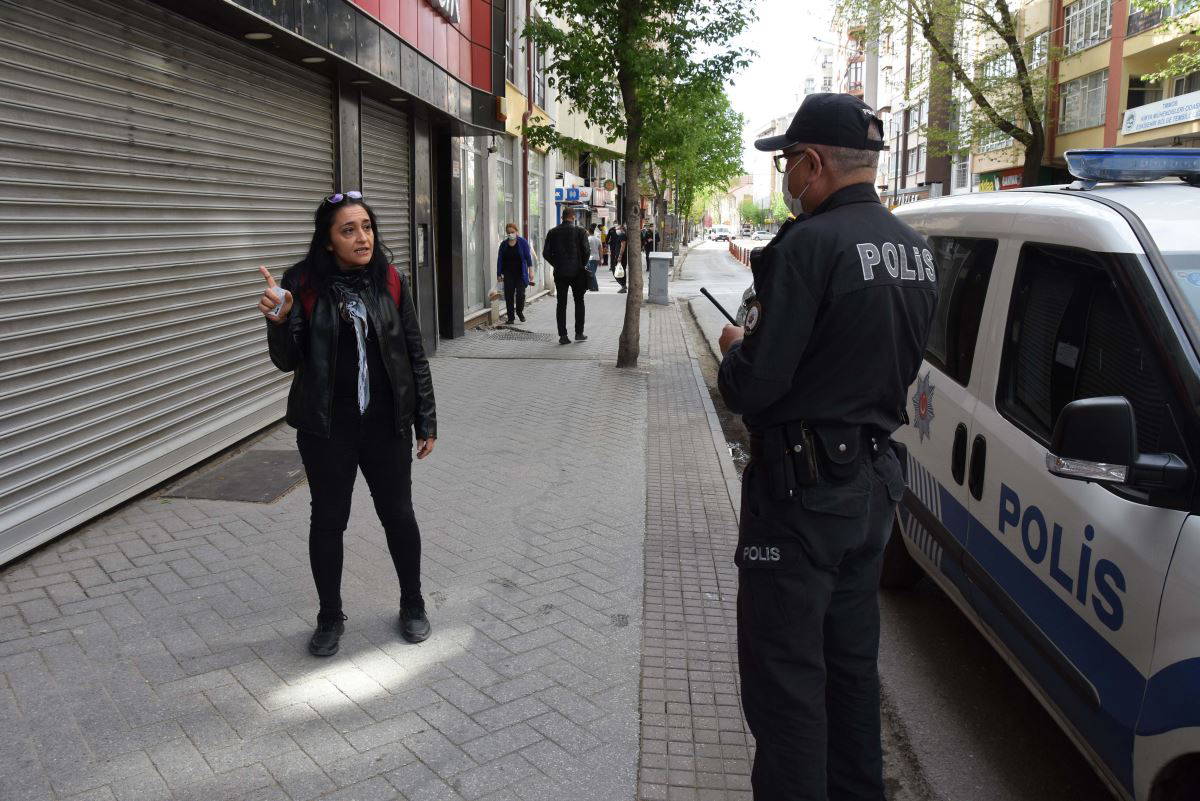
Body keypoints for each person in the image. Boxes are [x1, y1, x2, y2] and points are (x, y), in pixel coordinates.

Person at [716, 93, 937, 801]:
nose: (785, 176)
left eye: (787, 162)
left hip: (801, 501)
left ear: (812, 163)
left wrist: (736, 349)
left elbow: (755, 386)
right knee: (850, 673)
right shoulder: (916, 251)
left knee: (786, 688)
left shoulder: (807, 246)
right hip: (872, 490)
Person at [258, 190, 438, 658]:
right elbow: (288, 360)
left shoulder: (391, 280)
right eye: (349, 230)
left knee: (398, 516)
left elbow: (414, 353)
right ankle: (329, 616)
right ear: (328, 240)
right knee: (328, 521)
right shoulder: (302, 284)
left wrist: (426, 419)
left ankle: (413, 604)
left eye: (367, 227)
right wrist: (280, 320)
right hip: (326, 428)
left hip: (385, 425)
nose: (363, 238)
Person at [542, 207, 591, 344]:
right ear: (573, 217)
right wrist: (582, 264)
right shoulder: (580, 231)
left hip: (560, 273)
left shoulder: (552, 232)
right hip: (577, 273)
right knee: (579, 301)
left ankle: (563, 336)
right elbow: (586, 251)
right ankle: (579, 333)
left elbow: (546, 253)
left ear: (562, 217)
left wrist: (556, 264)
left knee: (561, 303)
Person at [496, 222, 535, 323]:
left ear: (517, 231)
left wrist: (531, 271)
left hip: (521, 273)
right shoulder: (504, 244)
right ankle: (510, 318)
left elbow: (528, 257)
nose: (510, 234)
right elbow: (500, 259)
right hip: (508, 273)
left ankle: (519, 311)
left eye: (512, 232)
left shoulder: (522, 242)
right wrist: (498, 274)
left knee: (520, 294)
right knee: (509, 296)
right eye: (508, 233)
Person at [608, 223, 628, 293]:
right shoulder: (621, 235)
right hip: (619, 256)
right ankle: (623, 285)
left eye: (617, 229)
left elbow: (623, 246)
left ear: (621, 229)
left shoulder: (622, 235)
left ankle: (623, 285)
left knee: (618, 271)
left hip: (621, 257)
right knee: (618, 270)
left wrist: (620, 256)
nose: (616, 230)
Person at [586, 224, 602, 292]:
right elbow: (600, 250)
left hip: (590, 258)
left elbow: (586, 250)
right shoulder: (598, 239)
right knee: (592, 273)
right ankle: (591, 287)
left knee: (591, 273)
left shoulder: (588, 239)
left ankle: (595, 287)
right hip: (596, 258)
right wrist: (601, 259)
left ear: (589, 232)